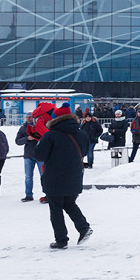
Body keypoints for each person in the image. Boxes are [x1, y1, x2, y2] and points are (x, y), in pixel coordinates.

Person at [34, 107, 93, 249]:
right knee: (69, 203)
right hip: (75, 175)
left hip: (54, 176)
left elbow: (39, 155)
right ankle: (83, 227)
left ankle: (61, 240)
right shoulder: (82, 134)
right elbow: (84, 151)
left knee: (55, 208)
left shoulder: (50, 135)